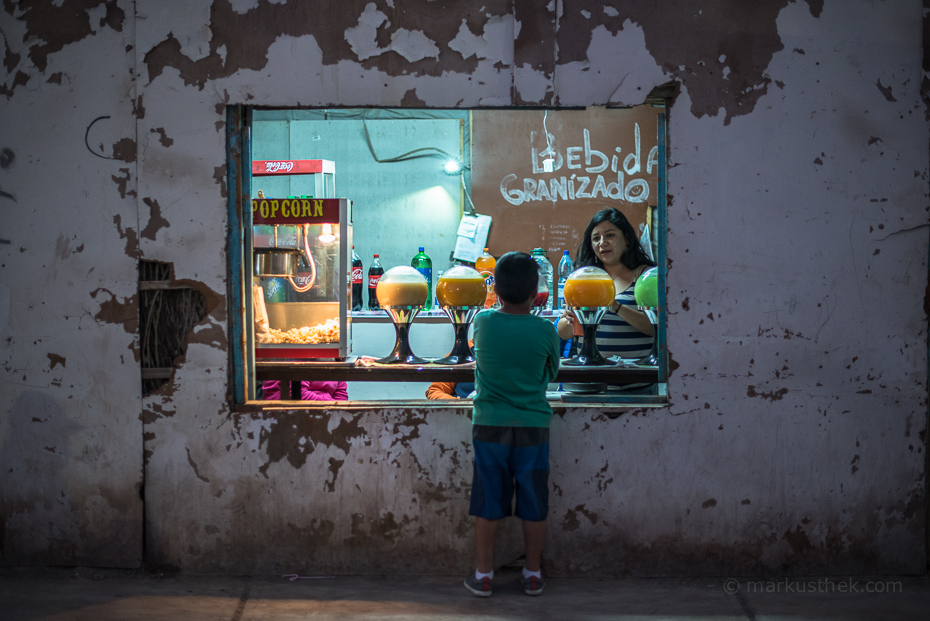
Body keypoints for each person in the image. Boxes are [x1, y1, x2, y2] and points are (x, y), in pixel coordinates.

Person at [464, 251, 561, 598]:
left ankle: (484, 575)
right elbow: (551, 373)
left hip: (489, 425)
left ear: (497, 291)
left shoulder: (484, 323)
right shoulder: (545, 329)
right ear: (537, 292)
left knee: (489, 499)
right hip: (534, 426)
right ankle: (532, 574)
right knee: (534, 500)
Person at [556, 207, 657, 394]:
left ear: (626, 239)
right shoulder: (583, 278)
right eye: (596, 238)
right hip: (590, 383)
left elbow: (655, 328)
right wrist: (568, 319)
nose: (603, 243)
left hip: (637, 384)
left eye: (610, 235)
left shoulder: (645, 277)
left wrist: (613, 305)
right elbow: (564, 334)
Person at [260, 380, 348, 401]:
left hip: (325, 411)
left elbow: (341, 393)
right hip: (284, 415)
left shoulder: (337, 355)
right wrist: (334, 405)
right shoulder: (300, 349)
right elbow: (297, 393)